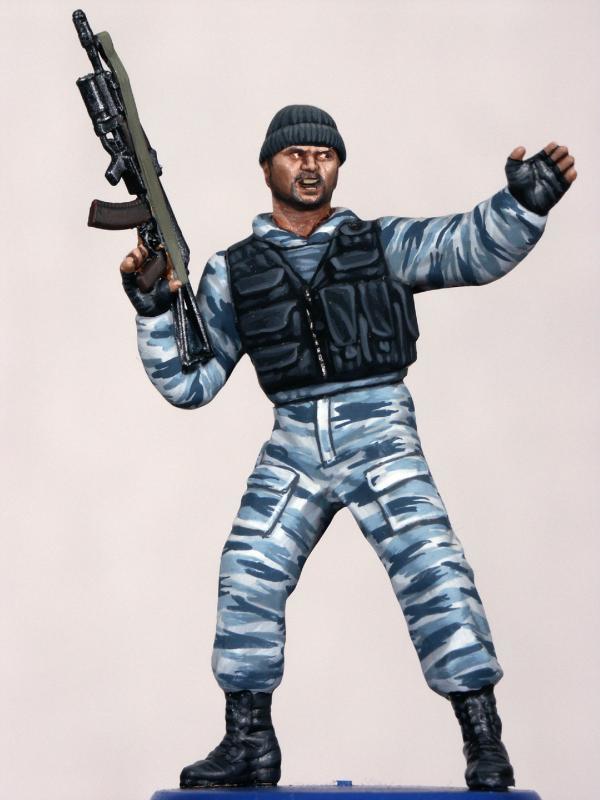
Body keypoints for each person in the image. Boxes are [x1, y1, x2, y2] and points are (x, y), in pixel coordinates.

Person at [120, 105, 576, 791]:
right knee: (248, 568)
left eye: (324, 154)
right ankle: (249, 742)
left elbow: (466, 246)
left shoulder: (381, 243)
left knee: (433, 568)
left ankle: (484, 738)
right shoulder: (234, 271)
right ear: (267, 167)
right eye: (295, 154)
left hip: (379, 429)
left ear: (338, 165)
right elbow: (192, 381)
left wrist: (522, 204)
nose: (310, 166)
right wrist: (154, 308)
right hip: (296, 437)